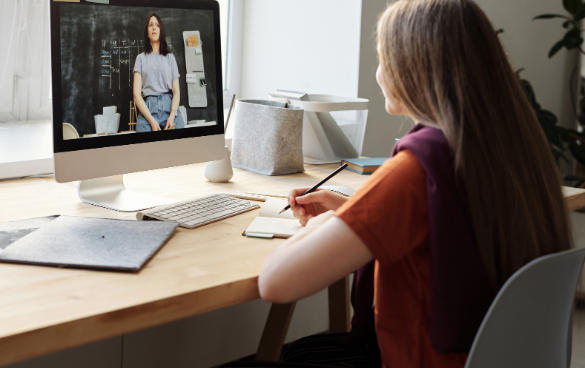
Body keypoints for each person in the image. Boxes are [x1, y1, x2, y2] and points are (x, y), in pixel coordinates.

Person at [230, 0, 574, 368]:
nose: (378, 74)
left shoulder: (420, 167)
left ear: (415, 68)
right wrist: (357, 213)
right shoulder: (512, 147)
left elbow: (275, 282)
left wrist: (328, 223)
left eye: (384, 60)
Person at [133, 13, 185, 132]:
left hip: (169, 107)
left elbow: (176, 91)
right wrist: (151, 120)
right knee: (145, 148)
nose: (154, 27)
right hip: (148, 111)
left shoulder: (170, 58)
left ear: (161, 31)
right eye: (151, 25)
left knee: (180, 146)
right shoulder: (140, 58)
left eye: (157, 25)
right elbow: (136, 95)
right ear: (147, 32)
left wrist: (172, 114)